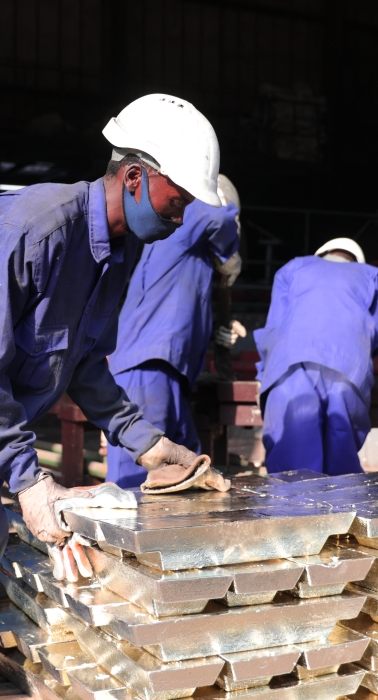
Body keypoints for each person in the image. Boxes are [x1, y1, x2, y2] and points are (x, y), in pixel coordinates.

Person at [0, 94, 228, 700]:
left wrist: (149, 442)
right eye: (178, 197)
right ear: (135, 178)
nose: (182, 213)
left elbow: (83, 358)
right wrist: (30, 481)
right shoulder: (31, 228)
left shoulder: (119, 250)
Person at [105, 175, 244, 488]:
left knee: (187, 472)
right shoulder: (183, 226)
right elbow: (217, 215)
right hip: (148, 369)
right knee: (135, 481)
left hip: (167, 376)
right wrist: (231, 249)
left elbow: (185, 308)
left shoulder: (193, 257)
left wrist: (219, 326)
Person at [254, 238, 378, 475]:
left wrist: (263, 372)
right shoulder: (374, 276)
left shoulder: (293, 268)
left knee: (291, 472)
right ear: (355, 261)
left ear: (321, 254)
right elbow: (376, 336)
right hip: (348, 371)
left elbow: (274, 328)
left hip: (289, 367)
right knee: (340, 471)